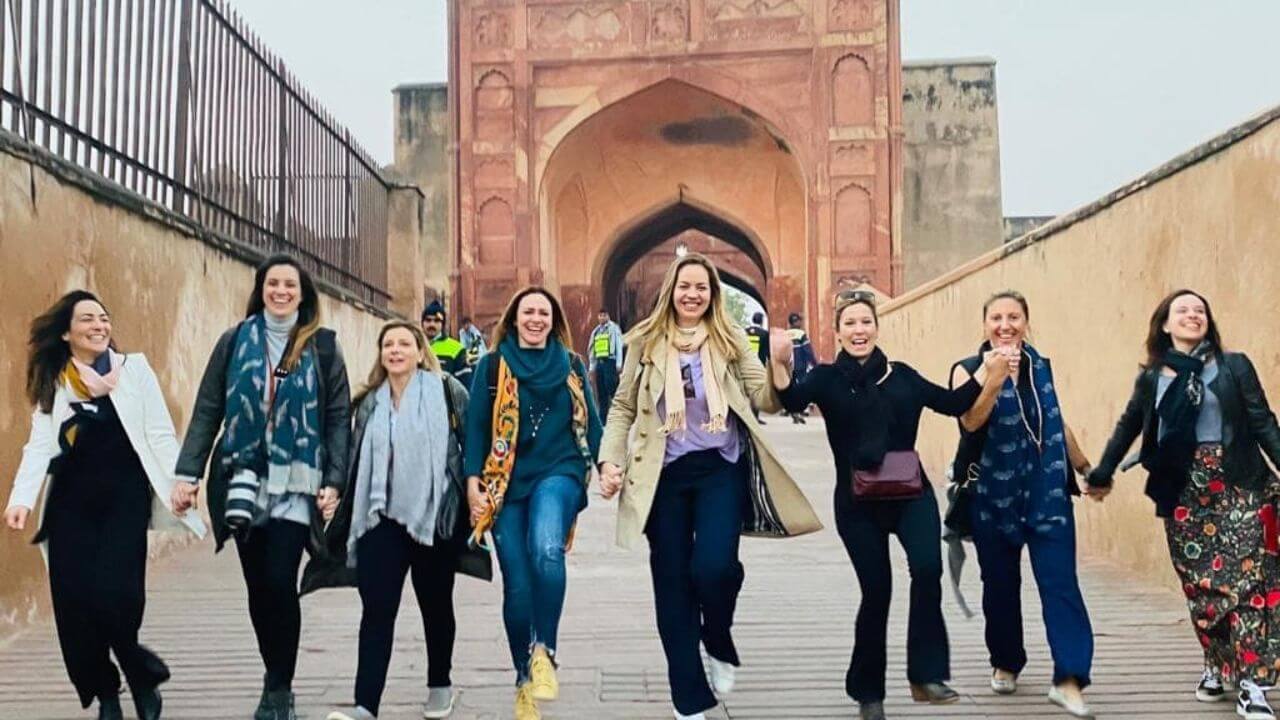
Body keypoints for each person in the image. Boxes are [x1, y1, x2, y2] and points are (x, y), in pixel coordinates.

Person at [598, 253, 822, 720]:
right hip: (663, 474)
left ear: (713, 294)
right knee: (673, 583)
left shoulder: (730, 339)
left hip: (720, 468)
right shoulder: (644, 341)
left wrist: (780, 365)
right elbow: (621, 407)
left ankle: (717, 639)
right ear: (671, 292)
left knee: (716, 569)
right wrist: (609, 460)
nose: (693, 294)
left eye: (702, 287)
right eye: (685, 286)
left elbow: (764, 398)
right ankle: (689, 698)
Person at [770, 291, 995, 720]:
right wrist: (780, 362)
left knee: (927, 569)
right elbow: (792, 401)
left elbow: (952, 405)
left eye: (865, 323)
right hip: (857, 503)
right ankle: (868, 692)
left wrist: (987, 369)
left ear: (876, 327)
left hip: (911, 493)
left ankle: (926, 674)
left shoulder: (902, 376)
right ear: (837, 332)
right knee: (877, 592)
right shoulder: (826, 379)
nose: (859, 331)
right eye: (850, 324)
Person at [5, 291, 206, 720]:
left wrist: (179, 484)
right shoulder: (56, 379)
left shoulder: (134, 371)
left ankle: (140, 673)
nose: (99, 325)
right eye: (87, 320)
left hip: (124, 500)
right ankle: (108, 695)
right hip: (69, 506)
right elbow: (39, 445)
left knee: (118, 597)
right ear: (66, 332)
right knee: (75, 604)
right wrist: (21, 500)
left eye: (103, 318)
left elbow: (159, 432)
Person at [172, 254, 351, 720]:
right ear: (261, 289)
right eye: (273, 283)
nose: (281, 291)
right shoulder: (235, 341)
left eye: (290, 284)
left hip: (297, 480)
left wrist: (334, 478)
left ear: (303, 293)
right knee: (257, 588)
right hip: (242, 478)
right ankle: (274, 675)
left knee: (278, 580)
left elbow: (336, 418)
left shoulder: (323, 347)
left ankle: (280, 685)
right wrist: (188, 473)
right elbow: (209, 409)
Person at [1087, 289, 1280, 720]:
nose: (1194, 315)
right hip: (1182, 490)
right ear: (1165, 325)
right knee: (1202, 588)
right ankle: (1215, 663)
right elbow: (1129, 425)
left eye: (1200, 310)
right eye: (1183, 310)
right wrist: (1103, 470)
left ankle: (1252, 683)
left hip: (1240, 483)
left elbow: (1263, 421)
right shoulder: (1154, 378)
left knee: (1248, 585)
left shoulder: (1234, 366)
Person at [309, 321, 480, 720]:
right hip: (379, 517)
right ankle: (365, 704)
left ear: (421, 352)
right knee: (377, 609)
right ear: (381, 353)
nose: (396, 350)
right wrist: (336, 492)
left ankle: (440, 684)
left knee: (436, 605)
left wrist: (475, 493)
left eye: (405, 343)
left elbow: (473, 444)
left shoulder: (447, 391)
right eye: (389, 344)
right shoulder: (368, 401)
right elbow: (352, 454)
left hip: (435, 516)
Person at [950, 290, 1097, 718]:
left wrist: (1085, 467)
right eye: (996, 317)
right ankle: (1006, 660)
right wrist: (994, 378)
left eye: (1014, 317)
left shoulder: (1041, 366)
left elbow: (1055, 419)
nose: (1005, 325)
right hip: (994, 497)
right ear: (984, 325)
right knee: (999, 588)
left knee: (1061, 584)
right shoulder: (967, 369)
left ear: (1026, 322)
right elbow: (970, 421)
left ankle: (1070, 678)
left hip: (1047, 493)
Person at [463, 287, 604, 720]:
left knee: (546, 548)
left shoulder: (571, 366)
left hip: (558, 473)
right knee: (518, 586)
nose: (536, 319)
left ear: (553, 320)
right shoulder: (491, 367)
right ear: (514, 318)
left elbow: (593, 425)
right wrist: (473, 484)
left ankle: (545, 649)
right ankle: (523, 676)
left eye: (544, 312)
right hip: (504, 482)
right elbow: (475, 430)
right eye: (529, 312)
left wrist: (608, 466)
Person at [422, 300, 471, 388]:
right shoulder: (413, 346)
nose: (431, 324)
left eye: (437, 321)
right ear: (422, 323)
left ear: (442, 324)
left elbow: (465, 385)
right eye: (428, 320)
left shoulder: (456, 348)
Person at [588, 308, 624, 418]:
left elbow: (619, 345)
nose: (602, 317)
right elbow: (592, 350)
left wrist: (619, 363)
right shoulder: (596, 331)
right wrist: (591, 368)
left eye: (604, 315)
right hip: (600, 363)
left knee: (612, 388)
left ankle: (619, 415)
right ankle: (602, 420)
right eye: (600, 315)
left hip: (610, 362)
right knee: (601, 391)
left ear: (608, 316)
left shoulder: (613, 329)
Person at [786, 312, 816, 424]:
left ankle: (794, 411)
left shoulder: (785, 334)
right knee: (802, 388)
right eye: (799, 321)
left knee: (792, 388)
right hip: (800, 365)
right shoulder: (801, 334)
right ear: (796, 322)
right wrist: (814, 363)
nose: (800, 323)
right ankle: (800, 410)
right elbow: (807, 350)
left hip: (788, 366)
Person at [744, 312, 770, 423]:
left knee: (744, 391)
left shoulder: (744, 332)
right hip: (758, 365)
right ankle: (755, 417)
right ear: (762, 321)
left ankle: (746, 416)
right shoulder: (764, 334)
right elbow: (767, 352)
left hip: (744, 364)